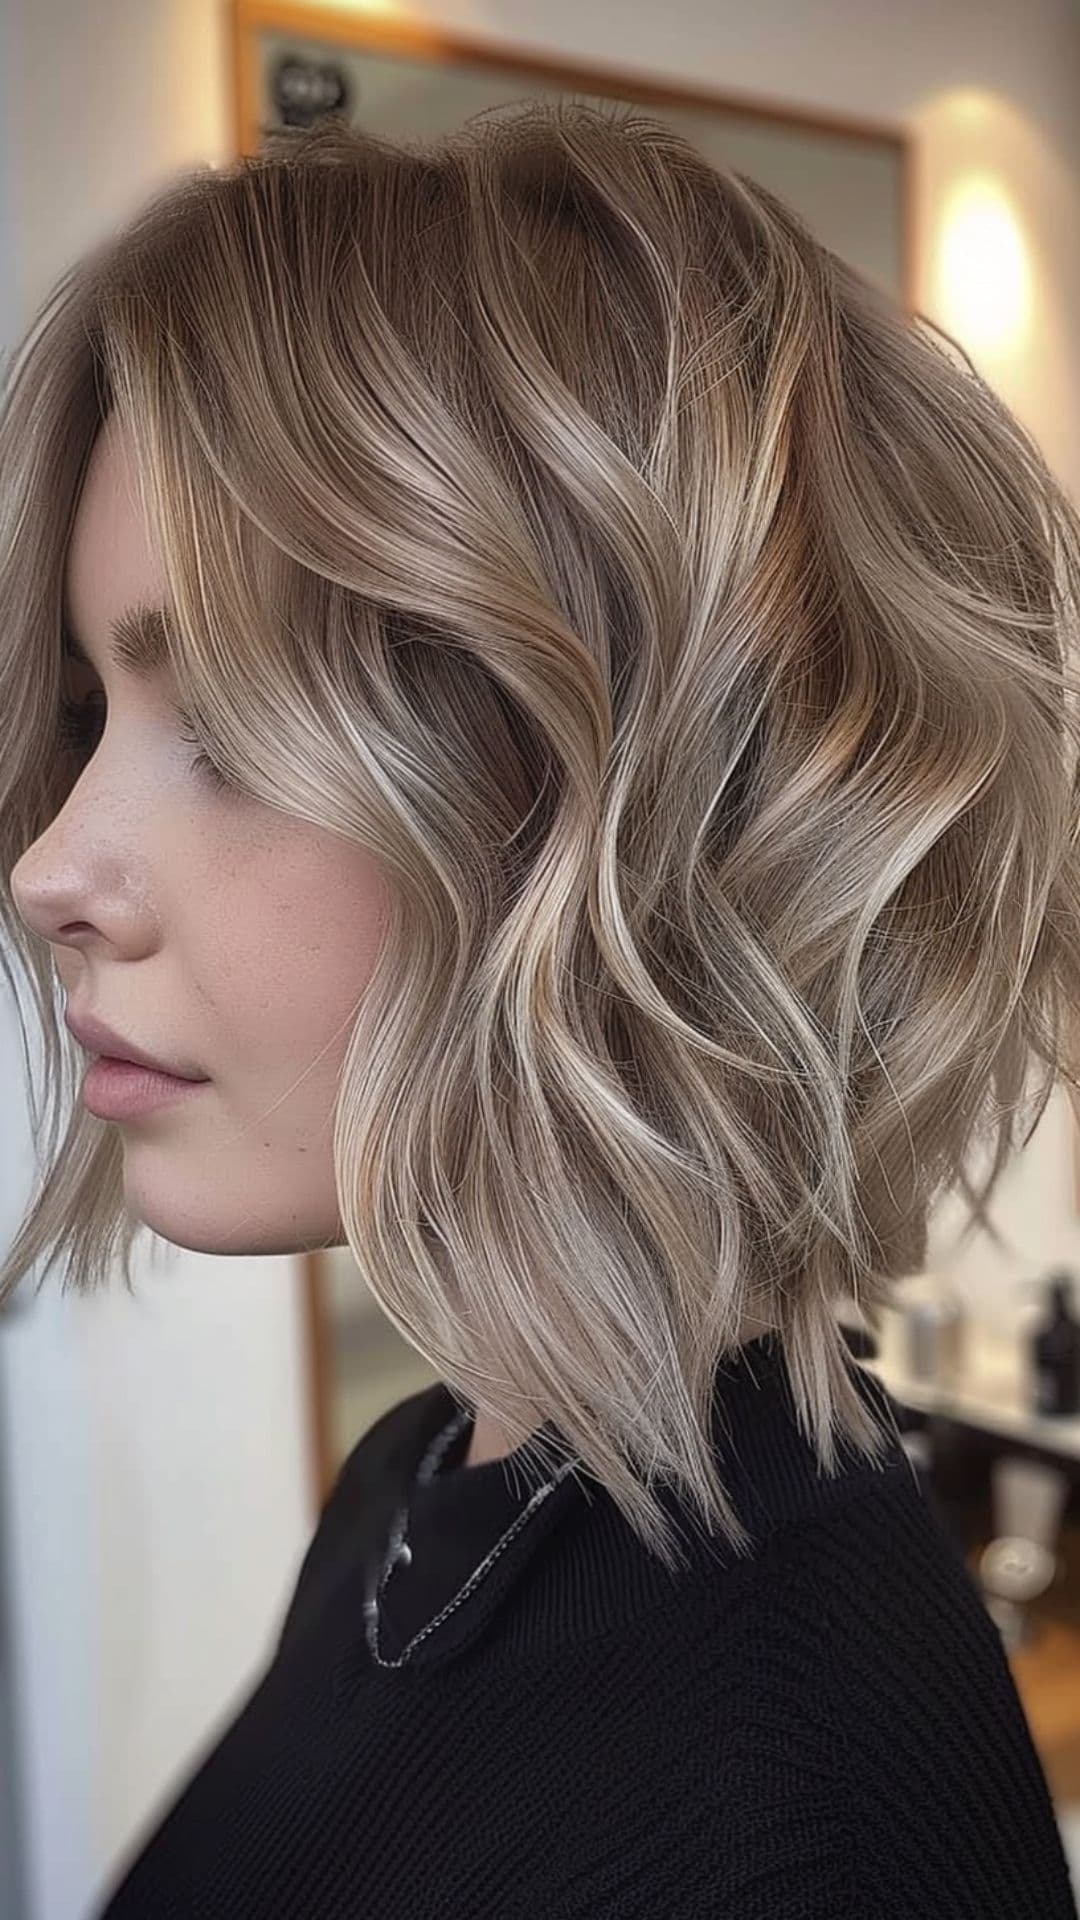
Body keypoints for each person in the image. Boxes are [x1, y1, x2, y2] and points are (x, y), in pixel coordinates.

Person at [1, 95, 1078, 1918]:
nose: (48, 871)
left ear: (662, 818)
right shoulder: (424, 1489)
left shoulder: (801, 1812)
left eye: (242, 727)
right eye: (95, 719)